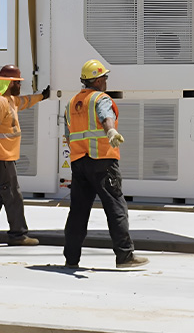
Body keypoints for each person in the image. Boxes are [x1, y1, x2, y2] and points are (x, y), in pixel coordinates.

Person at [63, 59, 149, 269]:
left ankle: (71, 259)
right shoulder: (100, 98)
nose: (106, 81)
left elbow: (68, 134)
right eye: (105, 78)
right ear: (99, 80)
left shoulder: (72, 102)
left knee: (78, 212)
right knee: (115, 207)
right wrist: (111, 131)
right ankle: (124, 256)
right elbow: (105, 117)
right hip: (102, 162)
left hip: (79, 163)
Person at [0, 65, 51, 246]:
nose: (19, 86)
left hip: (3, 159)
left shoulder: (10, 101)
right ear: (9, 83)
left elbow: (25, 101)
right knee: (13, 197)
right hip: (1, 159)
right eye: (17, 83)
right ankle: (18, 235)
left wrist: (42, 96)